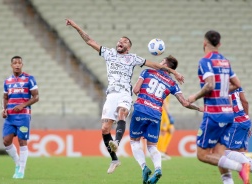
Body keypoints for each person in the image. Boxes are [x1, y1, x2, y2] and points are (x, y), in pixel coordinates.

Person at [65, 18, 184, 174]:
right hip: (111, 94)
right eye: (120, 40)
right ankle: (115, 159)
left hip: (125, 93)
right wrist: (75, 26)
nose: (121, 42)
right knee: (105, 128)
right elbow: (90, 41)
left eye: (125, 41)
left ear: (128, 47)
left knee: (122, 113)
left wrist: (174, 72)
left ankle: (117, 141)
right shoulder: (108, 53)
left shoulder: (133, 58)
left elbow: (154, 65)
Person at [188, 30, 251, 184]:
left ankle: (240, 166)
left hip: (214, 114)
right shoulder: (225, 61)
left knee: (202, 155)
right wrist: (222, 92)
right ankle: (228, 180)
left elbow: (210, 85)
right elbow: (237, 84)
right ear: (220, 44)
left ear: (204, 43)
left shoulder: (205, 61)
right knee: (219, 154)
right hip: (229, 113)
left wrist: (194, 97)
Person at [130, 55, 202, 184]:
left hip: (141, 109)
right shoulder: (172, 83)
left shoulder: (147, 71)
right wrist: (199, 109)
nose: (159, 62)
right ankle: (158, 169)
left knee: (135, 142)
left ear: (165, 65)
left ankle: (144, 167)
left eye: (162, 61)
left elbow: (135, 90)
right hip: (156, 114)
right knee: (152, 146)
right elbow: (185, 103)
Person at [2, 56, 39, 179]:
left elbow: (36, 97)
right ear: (11, 65)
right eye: (14, 63)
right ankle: (18, 163)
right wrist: (4, 109)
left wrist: (23, 105)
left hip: (23, 116)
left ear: (22, 64)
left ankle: (21, 171)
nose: (17, 65)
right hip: (10, 116)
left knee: (22, 141)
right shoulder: (7, 81)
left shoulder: (29, 79)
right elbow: (5, 97)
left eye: (19, 63)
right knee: (6, 141)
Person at [222, 87, 252, 184]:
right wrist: (247, 120)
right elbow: (245, 102)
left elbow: (228, 107)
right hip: (244, 120)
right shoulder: (237, 86)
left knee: (226, 152)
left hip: (235, 122)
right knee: (240, 153)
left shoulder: (224, 87)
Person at [157, 96, 175, 160]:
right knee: (163, 131)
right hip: (162, 111)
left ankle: (163, 151)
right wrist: (168, 113)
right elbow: (163, 100)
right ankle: (159, 152)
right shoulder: (165, 86)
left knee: (171, 130)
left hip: (165, 111)